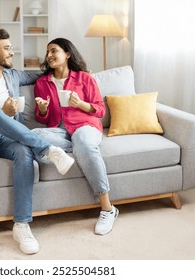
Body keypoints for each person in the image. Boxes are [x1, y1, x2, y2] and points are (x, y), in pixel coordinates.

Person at [0, 29, 75, 255]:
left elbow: (43, 74)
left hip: (9, 139)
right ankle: (48, 150)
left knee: (23, 153)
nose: (12, 52)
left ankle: (21, 225)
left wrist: (67, 66)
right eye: (7, 48)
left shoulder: (14, 76)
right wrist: (0, 112)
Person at [33, 38, 118, 235]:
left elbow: (99, 110)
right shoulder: (42, 83)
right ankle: (80, 148)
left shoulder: (85, 78)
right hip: (59, 131)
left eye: (54, 51)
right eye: (47, 53)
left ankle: (107, 209)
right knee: (33, 135)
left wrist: (80, 104)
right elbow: (42, 118)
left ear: (68, 54)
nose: (49, 56)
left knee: (82, 140)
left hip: (85, 126)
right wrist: (43, 110)